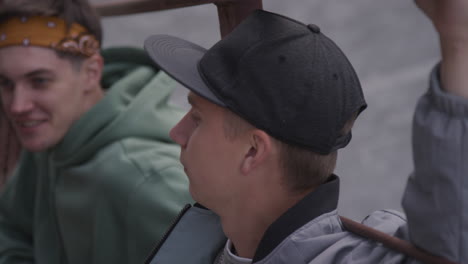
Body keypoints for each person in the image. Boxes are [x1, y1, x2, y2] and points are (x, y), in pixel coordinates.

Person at [142, 0, 468, 263]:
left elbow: (448, 240)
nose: (177, 132)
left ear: (253, 151)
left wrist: (457, 44)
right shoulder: (211, 244)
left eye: (196, 118)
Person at [0, 0, 193, 263]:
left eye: (39, 81)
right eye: (6, 83)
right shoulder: (52, 136)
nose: (17, 106)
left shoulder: (144, 179)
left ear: (92, 73)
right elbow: (10, 229)